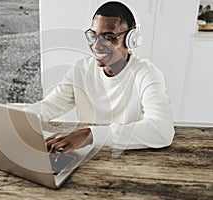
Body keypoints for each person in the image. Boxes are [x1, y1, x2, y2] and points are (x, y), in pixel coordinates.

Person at [28, 1, 175, 154]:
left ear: (131, 39)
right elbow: (49, 107)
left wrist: (90, 134)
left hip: (129, 158)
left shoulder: (147, 74)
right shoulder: (81, 70)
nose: (96, 46)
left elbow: (162, 131)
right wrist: (14, 118)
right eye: (93, 35)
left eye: (108, 37)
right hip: (86, 156)